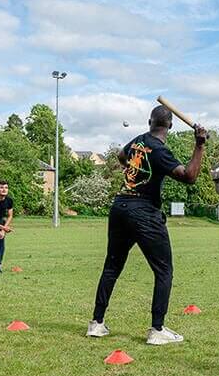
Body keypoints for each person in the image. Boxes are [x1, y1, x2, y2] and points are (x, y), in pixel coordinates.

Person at [87, 105, 207, 345]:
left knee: (112, 267)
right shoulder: (160, 151)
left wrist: (135, 173)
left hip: (120, 206)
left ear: (149, 122)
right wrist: (199, 145)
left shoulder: (137, 141)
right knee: (164, 270)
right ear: (170, 126)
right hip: (144, 212)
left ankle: (96, 324)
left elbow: (121, 156)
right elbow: (189, 177)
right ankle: (157, 329)